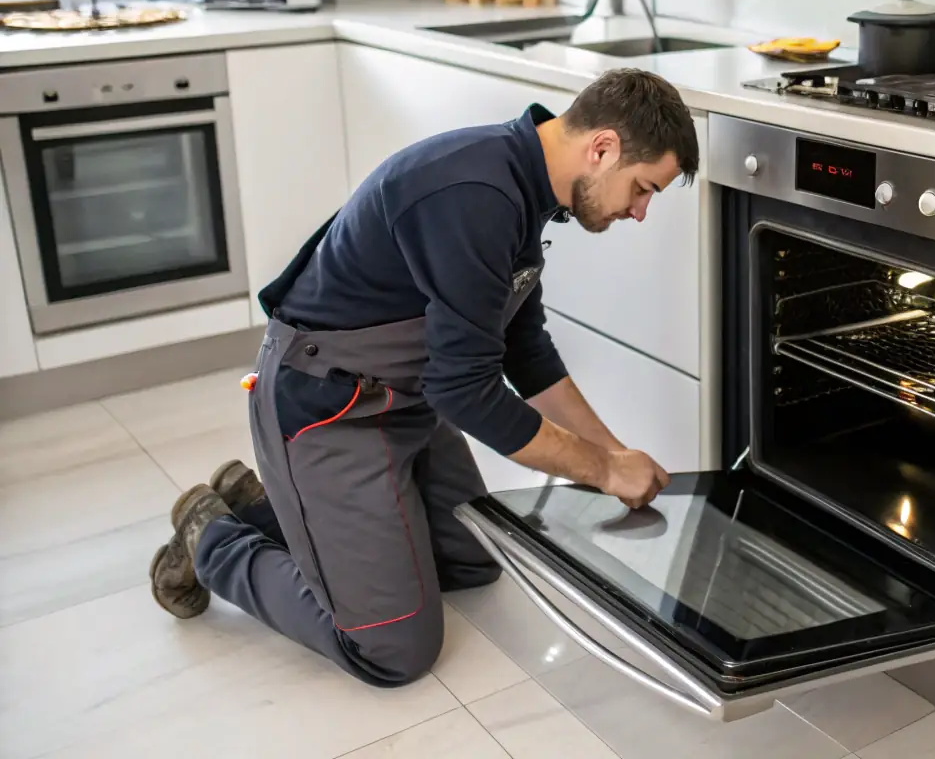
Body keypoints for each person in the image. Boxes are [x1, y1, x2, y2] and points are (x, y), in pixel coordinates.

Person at [148, 67, 699, 687]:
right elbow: (466, 393)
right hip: (327, 408)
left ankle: (267, 501)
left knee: (472, 558)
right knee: (394, 648)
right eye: (644, 188)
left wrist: (615, 452)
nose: (641, 211)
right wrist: (600, 470)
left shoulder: (524, 189)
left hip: (400, 401)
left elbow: (527, 352)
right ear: (603, 149)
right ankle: (213, 537)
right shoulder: (475, 193)